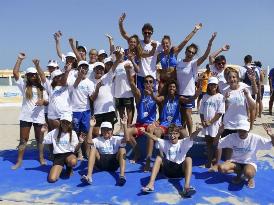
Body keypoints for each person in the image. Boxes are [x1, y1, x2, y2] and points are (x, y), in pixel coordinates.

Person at [141, 124, 201, 197]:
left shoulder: (183, 142)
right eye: (170, 134)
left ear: (179, 134)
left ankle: (187, 187)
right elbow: (154, 138)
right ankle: (150, 185)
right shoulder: (165, 143)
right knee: (159, 158)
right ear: (168, 135)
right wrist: (144, 132)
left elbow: (192, 136)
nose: (172, 136)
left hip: (181, 172)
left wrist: (198, 130)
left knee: (188, 159)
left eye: (175, 133)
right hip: (168, 171)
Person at [11, 53, 49, 170]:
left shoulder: (42, 87)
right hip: (26, 117)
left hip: (39, 117)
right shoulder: (24, 86)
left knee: (40, 139)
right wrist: (19, 59)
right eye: (30, 75)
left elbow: (47, 102)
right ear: (27, 76)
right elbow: (15, 73)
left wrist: (43, 102)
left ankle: (41, 157)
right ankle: (19, 160)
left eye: (34, 75)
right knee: (23, 140)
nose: (32, 76)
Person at [177, 32, 217, 135]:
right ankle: (183, 135)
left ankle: (191, 136)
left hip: (189, 93)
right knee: (181, 117)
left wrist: (210, 43)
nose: (190, 53)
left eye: (193, 53)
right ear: (186, 51)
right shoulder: (179, 62)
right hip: (179, 93)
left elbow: (204, 56)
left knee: (188, 114)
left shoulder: (193, 63)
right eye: (189, 51)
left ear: (194, 54)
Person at [216, 121, 274, 189]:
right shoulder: (232, 137)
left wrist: (271, 135)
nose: (241, 133)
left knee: (249, 173)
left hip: (249, 162)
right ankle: (240, 174)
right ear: (237, 130)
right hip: (236, 162)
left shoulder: (255, 138)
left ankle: (249, 178)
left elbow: (271, 144)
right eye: (240, 130)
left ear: (248, 130)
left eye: (244, 131)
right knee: (221, 168)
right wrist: (219, 133)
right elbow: (216, 144)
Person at [80, 115, 129, 186]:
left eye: (108, 129)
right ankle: (89, 176)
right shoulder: (98, 139)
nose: (106, 131)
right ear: (101, 131)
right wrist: (91, 126)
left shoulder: (116, 139)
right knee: (93, 149)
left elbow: (127, 139)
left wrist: (124, 125)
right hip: (101, 163)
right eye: (104, 129)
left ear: (112, 131)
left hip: (113, 163)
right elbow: (89, 141)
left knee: (122, 149)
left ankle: (122, 176)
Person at [119, 13, 162, 91]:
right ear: (142, 33)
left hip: (152, 76)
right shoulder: (138, 43)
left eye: (149, 33)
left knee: (151, 100)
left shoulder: (157, 44)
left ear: (152, 33)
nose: (147, 34)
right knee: (140, 100)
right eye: (145, 32)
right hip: (140, 76)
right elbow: (124, 34)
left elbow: (167, 48)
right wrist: (121, 23)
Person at [156, 23, 202, 95]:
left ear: (170, 43)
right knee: (161, 101)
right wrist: (158, 73)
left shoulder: (174, 52)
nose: (165, 45)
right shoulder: (160, 56)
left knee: (174, 102)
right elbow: (151, 65)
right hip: (164, 81)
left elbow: (185, 41)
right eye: (163, 43)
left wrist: (195, 30)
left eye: (167, 43)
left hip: (174, 82)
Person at [125, 70, 157, 170]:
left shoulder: (156, 95)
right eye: (146, 81)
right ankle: (137, 152)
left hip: (150, 125)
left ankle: (148, 159)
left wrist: (157, 122)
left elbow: (163, 110)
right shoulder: (139, 95)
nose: (148, 83)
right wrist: (127, 71)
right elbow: (131, 83)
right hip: (140, 124)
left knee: (150, 129)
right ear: (143, 84)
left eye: (151, 81)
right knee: (127, 131)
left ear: (154, 83)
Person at [42, 113, 84, 183]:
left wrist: (80, 142)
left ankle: (69, 168)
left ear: (70, 124)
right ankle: (59, 168)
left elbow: (75, 150)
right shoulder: (54, 132)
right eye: (63, 122)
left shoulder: (73, 133)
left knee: (73, 162)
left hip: (69, 155)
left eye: (67, 122)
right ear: (60, 122)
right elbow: (43, 141)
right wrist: (42, 132)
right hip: (58, 156)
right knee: (52, 179)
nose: (65, 124)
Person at [34, 59, 72, 131]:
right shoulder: (50, 86)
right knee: (55, 135)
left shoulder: (66, 85)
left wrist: (67, 71)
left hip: (66, 115)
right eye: (57, 77)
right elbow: (42, 76)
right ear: (54, 79)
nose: (60, 78)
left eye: (61, 76)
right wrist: (37, 66)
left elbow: (64, 80)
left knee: (65, 135)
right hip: (53, 116)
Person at [70, 60, 95, 159]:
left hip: (86, 111)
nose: (83, 69)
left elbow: (92, 98)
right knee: (75, 132)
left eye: (85, 67)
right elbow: (73, 87)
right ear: (78, 68)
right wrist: (79, 76)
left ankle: (86, 152)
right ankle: (79, 152)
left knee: (84, 132)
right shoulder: (72, 79)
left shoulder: (89, 82)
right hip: (74, 110)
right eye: (81, 67)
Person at [199, 77, 225, 168]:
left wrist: (211, 122)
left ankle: (217, 163)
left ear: (217, 86)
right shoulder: (205, 97)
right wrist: (203, 121)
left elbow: (220, 113)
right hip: (206, 125)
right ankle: (209, 161)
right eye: (211, 84)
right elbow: (201, 111)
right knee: (209, 143)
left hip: (215, 125)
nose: (212, 86)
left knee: (217, 143)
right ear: (208, 85)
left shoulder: (220, 97)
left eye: (214, 84)